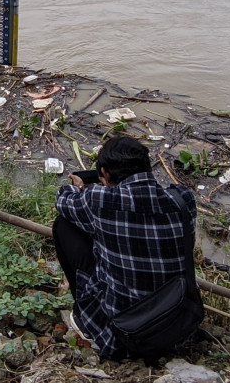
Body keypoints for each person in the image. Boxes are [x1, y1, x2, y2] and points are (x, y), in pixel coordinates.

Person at [54, 135, 199, 359]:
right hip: (178, 327)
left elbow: (62, 199)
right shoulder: (183, 200)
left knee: (64, 225)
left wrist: (81, 187)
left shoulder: (100, 200)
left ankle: (85, 317)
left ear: (107, 174)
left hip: (122, 335)